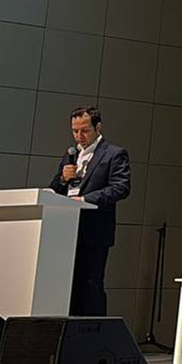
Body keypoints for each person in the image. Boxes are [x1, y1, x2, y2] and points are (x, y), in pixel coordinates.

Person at [48, 106, 131, 316]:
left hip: (93, 232)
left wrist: (85, 199)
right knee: (66, 286)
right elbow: (54, 190)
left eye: (84, 130)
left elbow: (121, 188)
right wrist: (63, 179)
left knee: (90, 286)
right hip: (66, 230)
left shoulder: (114, 154)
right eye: (75, 131)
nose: (79, 136)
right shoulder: (70, 155)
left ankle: (93, 333)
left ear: (98, 127)